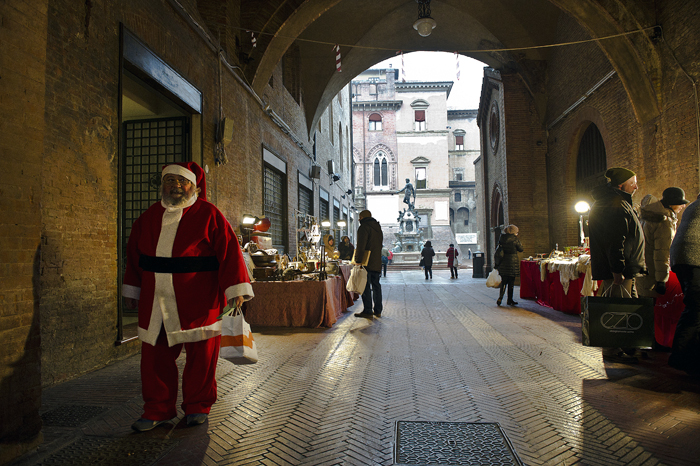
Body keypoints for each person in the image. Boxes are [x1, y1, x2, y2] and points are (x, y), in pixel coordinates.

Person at [123, 162, 254, 432]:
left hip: (199, 299)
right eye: (170, 180)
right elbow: (134, 259)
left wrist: (236, 291)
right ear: (162, 185)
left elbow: (229, 253)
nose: (176, 186)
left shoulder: (210, 215)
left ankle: (197, 406)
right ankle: (156, 409)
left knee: (201, 357)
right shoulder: (147, 218)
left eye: (182, 182)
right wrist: (132, 290)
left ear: (193, 186)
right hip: (156, 298)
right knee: (154, 359)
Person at [588, 167, 646, 363]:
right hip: (620, 269)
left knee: (626, 307)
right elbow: (615, 241)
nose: (636, 186)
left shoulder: (618, 202)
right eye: (633, 183)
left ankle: (628, 345)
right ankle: (612, 349)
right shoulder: (615, 204)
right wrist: (617, 270)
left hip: (626, 267)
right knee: (615, 310)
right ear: (621, 185)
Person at [668, 193, 700, 376]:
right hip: (693, 259)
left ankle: (685, 355)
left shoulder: (694, 205)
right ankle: (682, 358)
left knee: (694, 306)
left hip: (683, 259)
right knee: (696, 308)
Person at [638, 188, 689, 301]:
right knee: (650, 311)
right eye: (681, 203)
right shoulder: (664, 222)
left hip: (643, 270)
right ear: (672, 203)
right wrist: (662, 280)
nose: (683, 206)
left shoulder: (649, 216)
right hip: (652, 275)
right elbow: (662, 253)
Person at [353, 210, 384, 318]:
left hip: (367, 263)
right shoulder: (377, 228)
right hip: (376, 262)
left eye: (359, 217)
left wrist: (357, 260)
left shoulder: (364, 227)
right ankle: (378, 310)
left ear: (362, 217)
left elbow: (361, 245)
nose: (358, 219)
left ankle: (367, 310)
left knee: (365, 286)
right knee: (376, 286)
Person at [494, 225, 523, 305]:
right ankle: (510, 300)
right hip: (512, 262)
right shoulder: (515, 239)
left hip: (503, 262)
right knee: (511, 283)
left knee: (504, 282)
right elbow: (521, 249)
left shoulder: (501, 238)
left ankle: (500, 298)